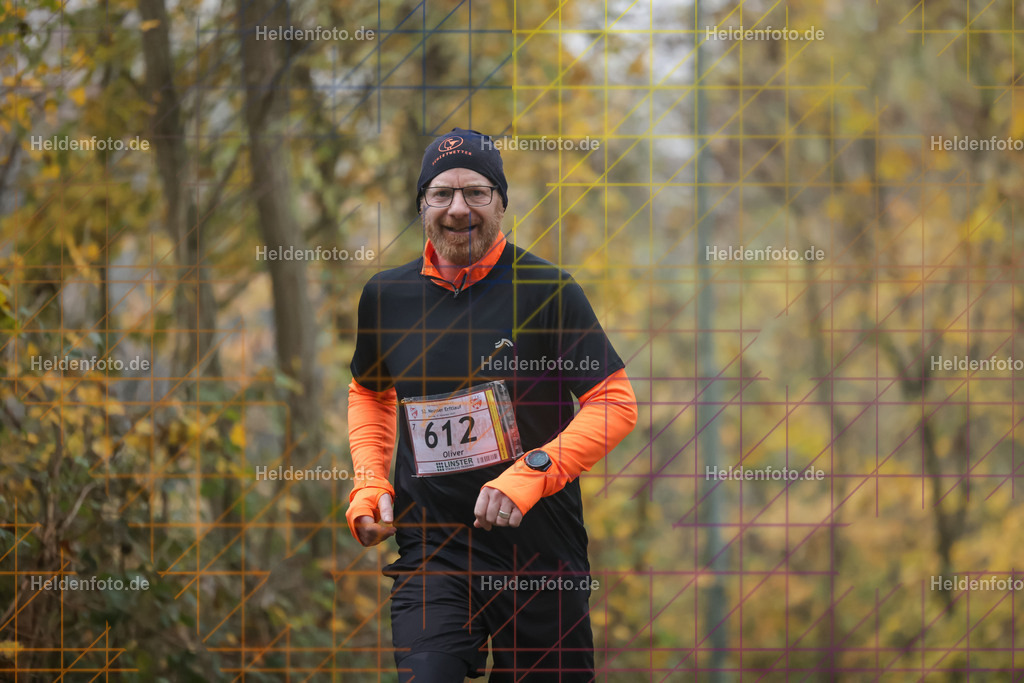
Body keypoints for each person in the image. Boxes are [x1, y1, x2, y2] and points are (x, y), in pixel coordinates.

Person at [346, 128, 637, 682]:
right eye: (441, 195)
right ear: (422, 206)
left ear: (501, 201)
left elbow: (613, 403)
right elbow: (369, 390)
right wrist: (370, 481)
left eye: (476, 193)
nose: (459, 209)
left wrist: (531, 473)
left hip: (539, 553)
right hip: (435, 552)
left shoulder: (546, 290)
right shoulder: (387, 296)